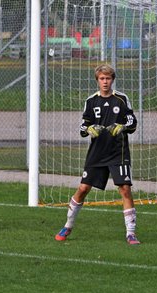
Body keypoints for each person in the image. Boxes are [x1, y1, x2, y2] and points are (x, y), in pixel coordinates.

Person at [54, 64, 140, 245]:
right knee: (83, 189)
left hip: (118, 151)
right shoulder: (91, 101)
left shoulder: (122, 99)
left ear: (112, 80)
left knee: (125, 189)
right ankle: (67, 226)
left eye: (108, 78)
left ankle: (131, 234)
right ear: (97, 80)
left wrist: (123, 126)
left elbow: (132, 122)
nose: (105, 82)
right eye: (102, 79)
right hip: (97, 153)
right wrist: (90, 129)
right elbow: (83, 127)